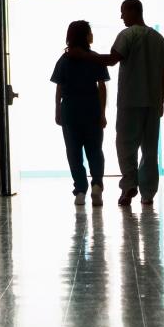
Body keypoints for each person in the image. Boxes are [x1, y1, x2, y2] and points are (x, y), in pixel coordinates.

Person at [68, 0, 164, 207]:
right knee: (150, 149)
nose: (121, 16)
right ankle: (148, 194)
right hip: (152, 102)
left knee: (125, 145)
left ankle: (129, 186)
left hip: (130, 100)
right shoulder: (158, 38)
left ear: (133, 11)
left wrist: (84, 55)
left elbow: (112, 60)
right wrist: (161, 100)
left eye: (123, 12)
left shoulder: (128, 34)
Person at [51, 20, 109, 207]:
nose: (92, 35)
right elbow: (101, 87)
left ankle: (80, 191)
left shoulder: (64, 60)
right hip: (91, 110)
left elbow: (59, 88)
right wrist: (102, 113)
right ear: (85, 36)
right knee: (95, 151)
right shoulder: (95, 59)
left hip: (70, 111)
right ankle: (97, 186)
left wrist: (57, 110)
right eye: (90, 32)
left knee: (73, 153)